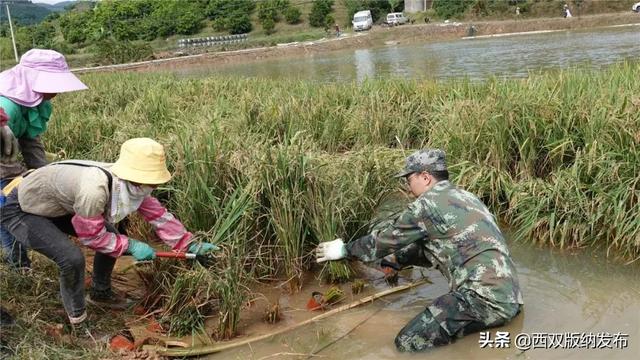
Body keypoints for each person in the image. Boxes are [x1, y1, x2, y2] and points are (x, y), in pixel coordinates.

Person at [0, 138, 218, 332]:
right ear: (136, 176)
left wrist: (189, 245)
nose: (155, 184)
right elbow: (91, 237)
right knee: (71, 259)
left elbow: (160, 217)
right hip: (21, 208)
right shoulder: (95, 189)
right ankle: (78, 321)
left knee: (112, 235)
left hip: (56, 204)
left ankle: (100, 292)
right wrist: (131, 245)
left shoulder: (136, 186)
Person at [316, 149, 523, 352]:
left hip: (480, 300)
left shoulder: (426, 205)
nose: (407, 188)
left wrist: (343, 250)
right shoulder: (468, 197)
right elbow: (436, 248)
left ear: (425, 177)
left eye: (408, 180)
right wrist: (394, 261)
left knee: (407, 342)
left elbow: (381, 242)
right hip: (511, 299)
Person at [0, 49, 88, 269]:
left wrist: (45, 176)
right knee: (8, 206)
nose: (56, 91)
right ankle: (18, 266)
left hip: (7, 161)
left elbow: (31, 143)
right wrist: (14, 177)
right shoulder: (7, 106)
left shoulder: (34, 102)